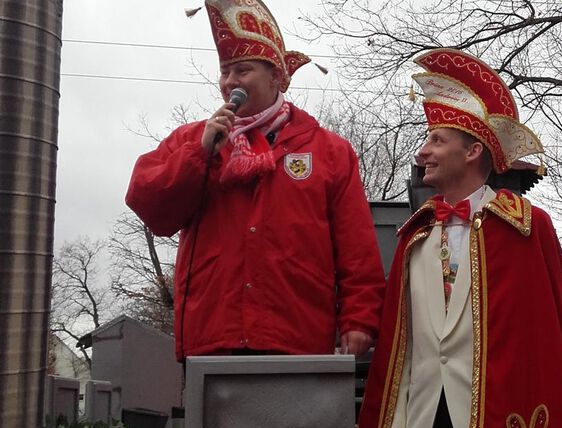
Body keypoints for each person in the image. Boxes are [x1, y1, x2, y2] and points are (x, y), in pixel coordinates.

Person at [355, 48, 562, 428]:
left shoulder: (527, 226)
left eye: (436, 140)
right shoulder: (415, 234)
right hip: (422, 425)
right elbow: (402, 343)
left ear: (472, 152)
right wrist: (394, 425)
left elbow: (545, 346)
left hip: (502, 427)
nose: (422, 152)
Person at [125, 0, 384, 360]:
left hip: (297, 337)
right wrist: (200, 154)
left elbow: (356, 248)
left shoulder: (328, 151)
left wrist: (359, 319)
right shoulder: (195, 140)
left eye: (242, 71)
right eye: (225, 71)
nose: (230, 82)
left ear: (276, 76)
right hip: (213, 337)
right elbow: (149, 205)